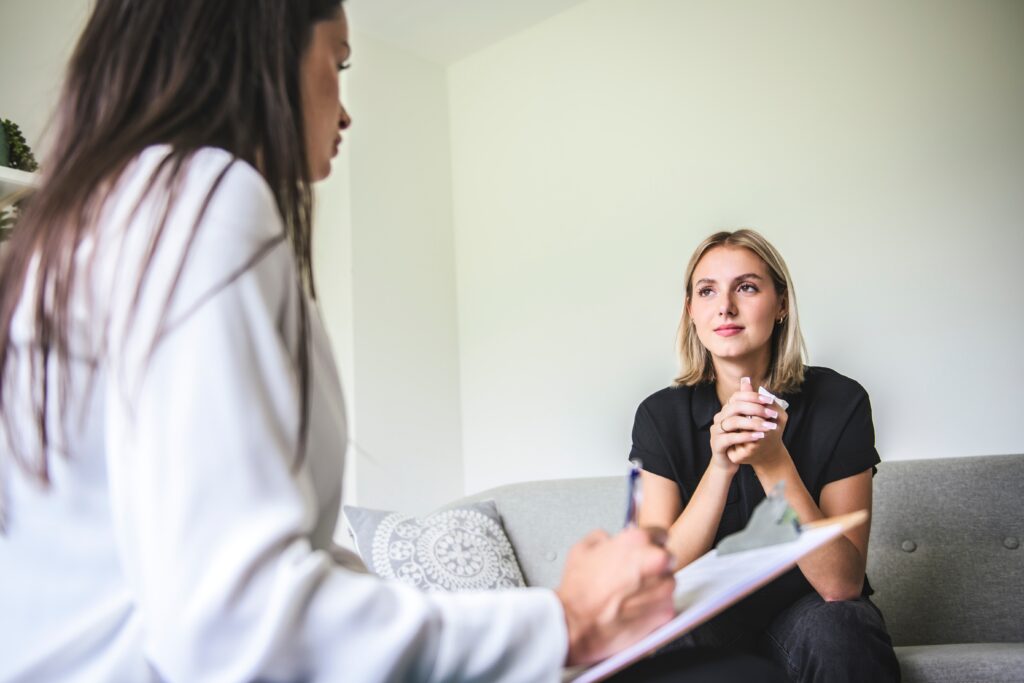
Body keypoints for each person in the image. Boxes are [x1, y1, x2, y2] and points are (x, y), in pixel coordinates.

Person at [0, 2, 788, 681]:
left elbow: (273, 577)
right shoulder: (207, 201)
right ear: (265, 45)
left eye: (747, 287)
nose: (344, 110)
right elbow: (236, 625)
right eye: (337, 65)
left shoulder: (91, 227)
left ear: (780, 308)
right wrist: (563, 620)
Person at [630, 229, 901, 682]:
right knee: (663, 634)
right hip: (707, 619)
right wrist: (721, 466)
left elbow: (841, 585)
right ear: (691, 311)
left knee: (841, 626)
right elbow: (659, 580)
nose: (726, 306)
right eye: (708, 290)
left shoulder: (841, 400)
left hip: (809, 613)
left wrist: (773, 463)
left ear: (781, 305)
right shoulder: (660, 416)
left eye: (747, 287)